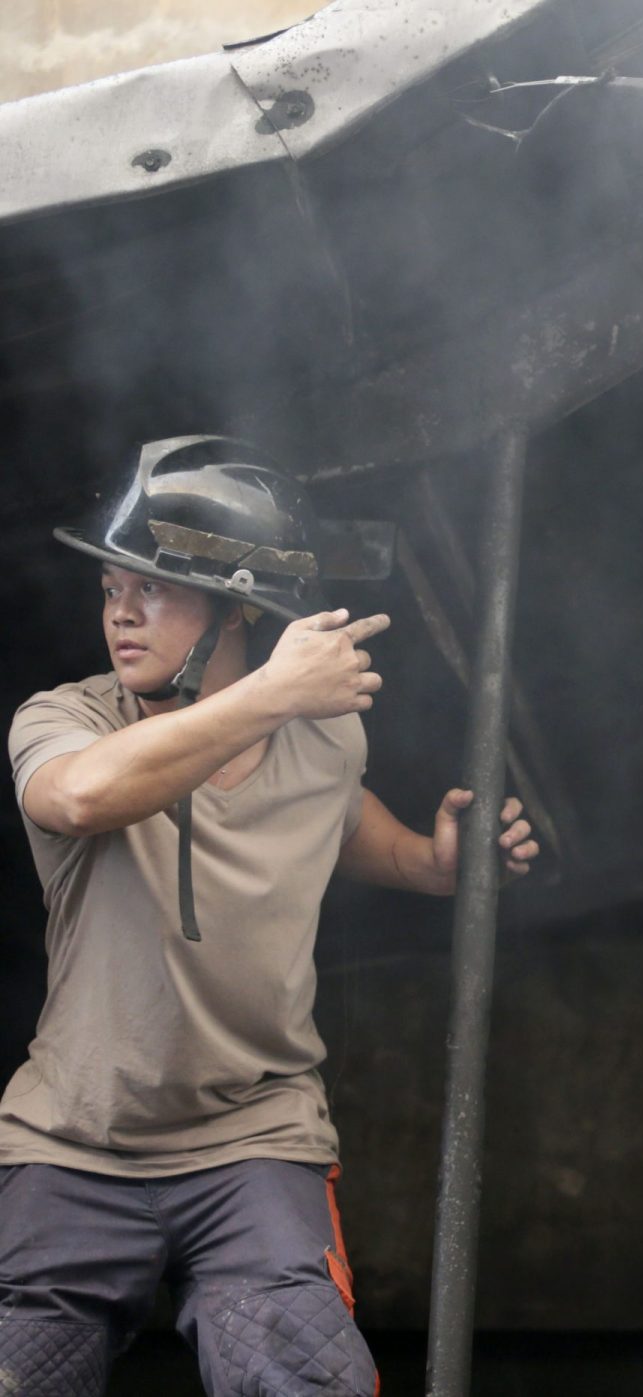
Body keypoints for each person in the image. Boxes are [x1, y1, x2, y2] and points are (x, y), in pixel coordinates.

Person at [0, 436, 540, 1396]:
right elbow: (79, 799)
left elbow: (335, 813)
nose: (120, 610)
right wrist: (268, 694)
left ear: (240, 602)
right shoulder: (67, 720)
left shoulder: (325, 730)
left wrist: (429, 862)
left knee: (303, 1375)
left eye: (153, 587)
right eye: (110, 588)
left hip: (253, 1138)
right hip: (73, 1140)